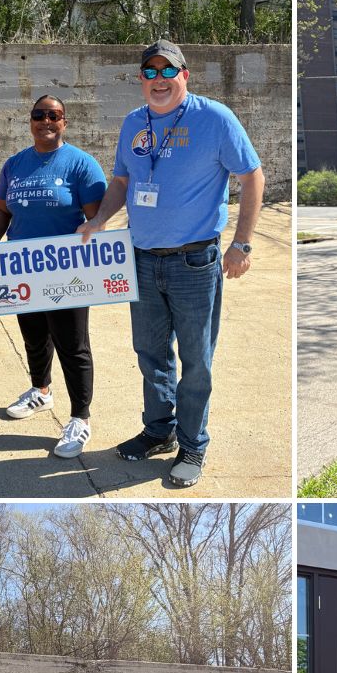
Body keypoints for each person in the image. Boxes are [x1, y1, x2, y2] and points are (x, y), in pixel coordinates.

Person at [78, 40, 264, 488]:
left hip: (194, 261)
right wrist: (100, 219)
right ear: (141, 79)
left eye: (168, 71)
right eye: (150, 71)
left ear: (185, 76)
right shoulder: (132, 123)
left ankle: (193, 442)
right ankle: (159, 430)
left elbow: (251, 175)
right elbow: (122, 179)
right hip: (141, 258)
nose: (158, 80)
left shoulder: (214, 118)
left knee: (196, 359)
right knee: (151, 353)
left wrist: (242, 244)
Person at [0, 95, 107, 459]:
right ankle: (41, 391)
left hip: (66, 271)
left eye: (53, 115)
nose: (45, 121)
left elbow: (97, 219)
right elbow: (1, 207)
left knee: (72, 345)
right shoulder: (15, 164)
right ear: (30, 122)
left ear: (64, 122)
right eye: (39, 115)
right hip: (22, 268)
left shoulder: (81, 164)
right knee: (35, 337)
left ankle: (80, 418)